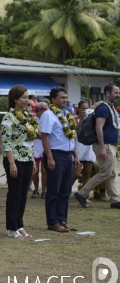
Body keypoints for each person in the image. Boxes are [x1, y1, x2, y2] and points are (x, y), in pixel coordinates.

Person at [1, 85, 40, 239]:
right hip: (14, 159)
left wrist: (33, 160)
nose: (26, 100)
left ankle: (19, 225)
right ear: (14, 99)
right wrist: (11, 163)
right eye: (23, 97)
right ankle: (11, 228)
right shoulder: (8, 118)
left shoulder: (27, 116)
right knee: (14, 193)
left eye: (27, 97)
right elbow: (7, 142)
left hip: (27, 159)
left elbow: (30, 140)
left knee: (23, 194)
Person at [40, 86, 79, 233]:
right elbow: (45, 137)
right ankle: (52, 222)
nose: (65, 100)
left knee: (65, 189)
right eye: (61, 97)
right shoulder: (48, 115)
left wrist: (75, 155)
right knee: (54, 190)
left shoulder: (66, 114)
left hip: (67, 154)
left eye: (65, 97)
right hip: (55, 154)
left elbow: (71, 137)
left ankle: (62, 219)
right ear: (53, 99)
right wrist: (50, 157)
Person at [74, 84, 120, 210]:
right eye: (115, 92)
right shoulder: (103, 108)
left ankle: (115, 200)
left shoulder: (110, 108)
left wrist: (113, 146)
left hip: (109, 145)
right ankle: (82, 193)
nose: (118, 95)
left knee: (111, 173)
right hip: (104, 145)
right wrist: (102, 147)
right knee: (106, 172)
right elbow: (98, 128)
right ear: (107, 93)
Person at [72, 101, 96, 194]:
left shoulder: (92, 119)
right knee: (76, 174)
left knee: (87, 173)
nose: (85, 110)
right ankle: (64, 192)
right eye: (83, 108)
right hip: (78, 148)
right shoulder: (74, 119)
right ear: (79, 109)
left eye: (87, 108)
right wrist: (82, 119)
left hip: (89, 148)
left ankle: (84, 195)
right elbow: (75, 131)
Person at [31, 102, 48, 199]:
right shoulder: (33, 120)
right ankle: (36, 189)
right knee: (35, 170)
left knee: (44, 170)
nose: (35, 112)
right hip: (36, 145)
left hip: (45, 146)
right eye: (35, 110)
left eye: (37, 111)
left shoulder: (48, 119)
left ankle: (44, 190)